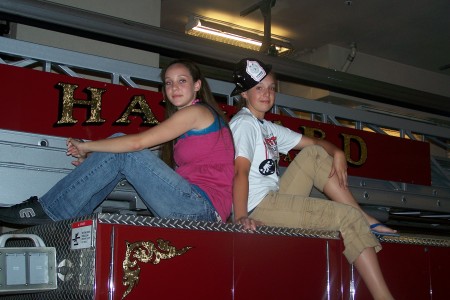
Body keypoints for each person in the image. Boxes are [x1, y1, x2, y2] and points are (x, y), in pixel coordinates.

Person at [230, 58, 396, 299]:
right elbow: (239, 172)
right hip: (258, 207)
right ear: (244, 93)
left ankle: (364, 217)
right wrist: (241, 216)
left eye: (271, 87)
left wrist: (338, 152)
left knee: (315, 154)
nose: (267, 94)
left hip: (274, 199)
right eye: (259, 88)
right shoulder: (244, 123)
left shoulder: (266, 126)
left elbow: (317, 144)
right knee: (347, 217)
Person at [0, 59, 235, 225]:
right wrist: (93, 159)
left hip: (200, 210)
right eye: (168, 82)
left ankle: (51, 209)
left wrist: (86, 146)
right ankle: (71, 219)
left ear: (197, 86)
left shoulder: (195, 113)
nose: (174, 87)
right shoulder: (193, 121)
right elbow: (140, 151)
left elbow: (136, 144)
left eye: (182, 81)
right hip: (198, 211)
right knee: (122, 155)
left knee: (126, 148)